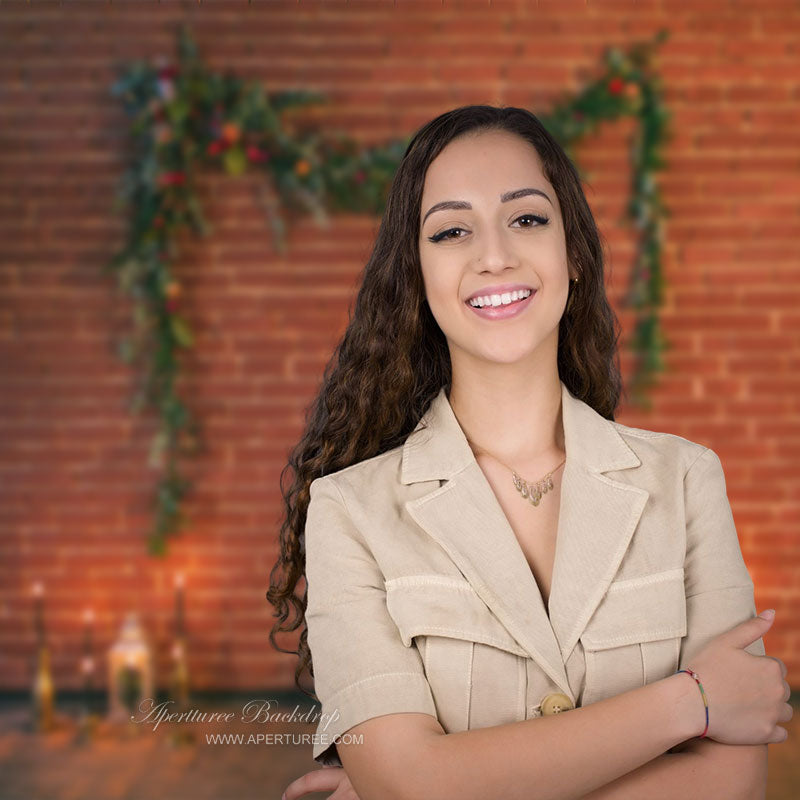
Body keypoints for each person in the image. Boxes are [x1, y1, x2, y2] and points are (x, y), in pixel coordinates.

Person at [268, 105, 791, 800]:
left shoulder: (687, 480)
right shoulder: (348, 512)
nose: (494, 256)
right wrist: (690, 703)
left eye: (527, 218)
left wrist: (439, 784)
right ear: (416, 276)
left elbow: (734, 784)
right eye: (452, 231)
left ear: (572, 251)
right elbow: (409, 785)